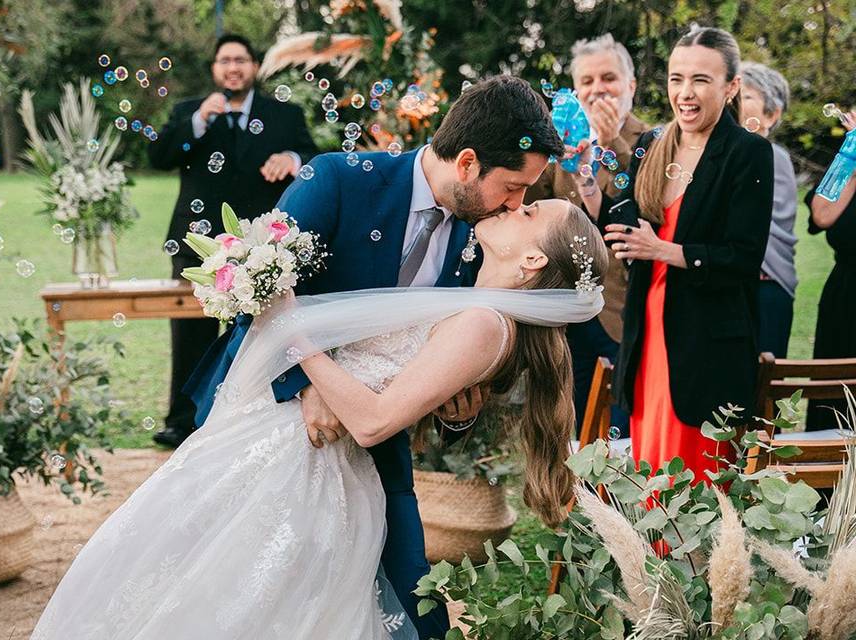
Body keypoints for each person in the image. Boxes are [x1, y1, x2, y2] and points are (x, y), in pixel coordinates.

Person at [30, 199, 609, 640]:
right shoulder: (473, 303)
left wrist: (296, 336)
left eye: (530, 211)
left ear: (533, 259)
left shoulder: (485, 324)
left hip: (313, 470)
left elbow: (376, 420)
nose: (515, 204)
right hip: (286, 448)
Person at [184, 75, 564, 638]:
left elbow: (437, 360)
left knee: (414, 606)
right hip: (268, 425)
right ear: (466, 163)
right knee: (251, 591)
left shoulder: (481, 243)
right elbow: (254, 291)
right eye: (512, 188)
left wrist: (455, 412)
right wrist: (304, 384)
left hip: (376, 452)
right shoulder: (338, 182)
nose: (517, 204)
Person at [577, 26, 774, 481]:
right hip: (648, 335)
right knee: (652, 474)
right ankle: (650, 554)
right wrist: (590, 186)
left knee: (696, 481)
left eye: (701, 80)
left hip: (705, 344)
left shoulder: (748, 153)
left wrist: (664, 249)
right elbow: (626, 228)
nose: (685, 93)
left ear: (731, 87)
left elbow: (743, 257)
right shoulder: (650, 145)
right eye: (675, 79)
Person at [148, 34, 318, 448]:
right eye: (224, 60)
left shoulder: (284, 114)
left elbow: (314, 156)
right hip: (197, 240)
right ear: (214, 69)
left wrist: (292, 160)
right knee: (191, 330)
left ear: (255, 66)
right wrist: (198, 123)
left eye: (241, 59)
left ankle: (255, 413)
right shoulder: (190, 112)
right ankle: (183, 419)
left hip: (262, 239)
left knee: (264, 327)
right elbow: (158, 157)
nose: (233, 67)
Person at [526, 33, 647, 438]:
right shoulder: (562, 144)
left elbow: (643, 202)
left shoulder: (652, 141)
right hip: (568, 309)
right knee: (573, 429)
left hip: (624, 309)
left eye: (608, 78)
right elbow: (531, 202)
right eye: (587, 82)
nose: (598, 90)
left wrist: (612, 142)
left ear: (630, 85)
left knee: (623, 427)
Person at [740, 62, 798, 358]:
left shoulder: (775, 157)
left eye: (747, 95)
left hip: (766, 287)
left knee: (764, 389)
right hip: (731, 289)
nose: (736, 100)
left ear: (771, 114)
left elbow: (763, 224)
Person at [804, 109, 856, 430]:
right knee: (834, 403)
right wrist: (851, 154)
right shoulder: (849, 159)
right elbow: (822, 214)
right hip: (846, 298)